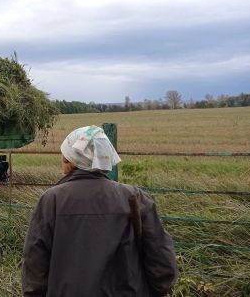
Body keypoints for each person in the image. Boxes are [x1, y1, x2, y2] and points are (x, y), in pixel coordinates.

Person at [21, 125, 177, 296]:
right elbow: (160, 258)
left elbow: (35, 263)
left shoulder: (51, 200)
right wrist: (160, 289)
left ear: (70, 162)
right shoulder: (134, 198)